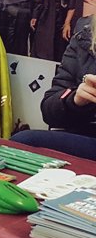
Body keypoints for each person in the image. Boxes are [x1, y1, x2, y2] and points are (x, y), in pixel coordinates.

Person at [10, 19, 96, 159]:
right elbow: (48, 111)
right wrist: (74, 100)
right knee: (22, 142)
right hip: (82, 133)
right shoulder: (84, 36)